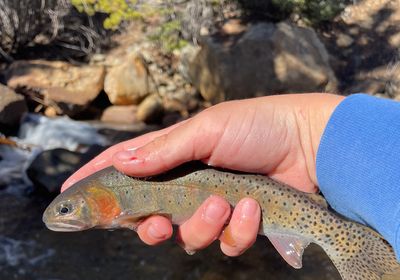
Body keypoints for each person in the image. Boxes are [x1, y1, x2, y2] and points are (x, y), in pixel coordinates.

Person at [62, 93, 400, 259]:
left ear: (100, 199)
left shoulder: (118, 195)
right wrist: (304, 138)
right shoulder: (111, 192)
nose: (66, 216)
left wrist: (306, 137)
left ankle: (346, 242)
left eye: (69, 210)